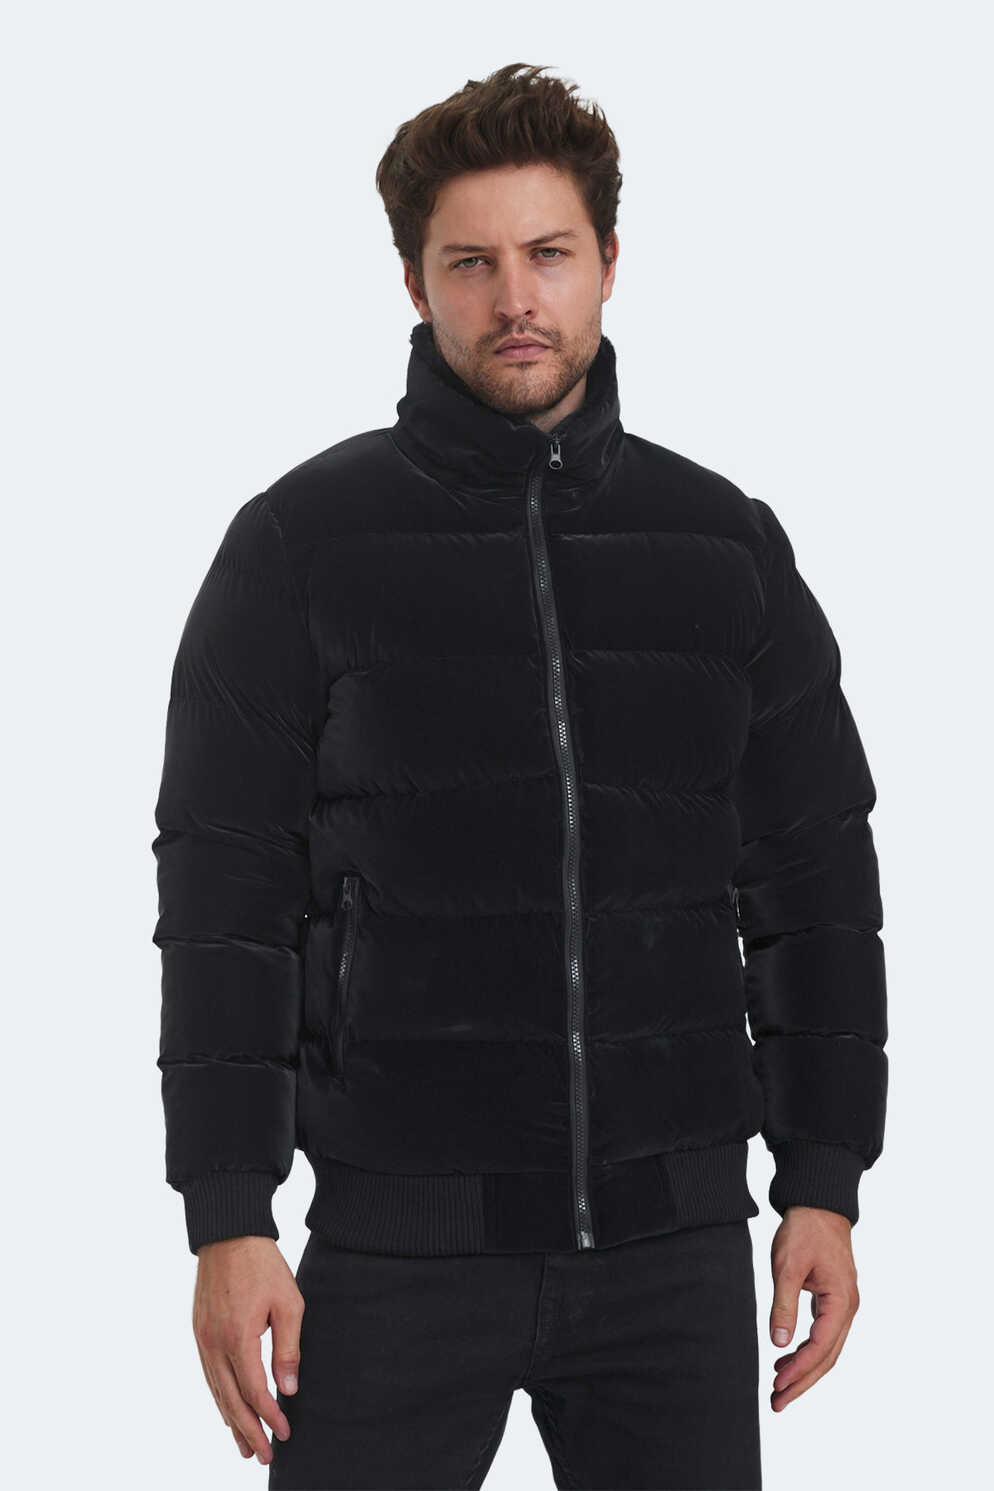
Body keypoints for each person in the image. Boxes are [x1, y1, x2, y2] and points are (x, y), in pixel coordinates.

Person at [151, 61, 888, 1491]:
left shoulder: (723, 546)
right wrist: (228, 1214)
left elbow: (814, 878)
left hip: (674, 1254)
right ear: (413, 282)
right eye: (470, 263)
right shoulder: (300, 547)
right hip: (395, 1254)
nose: (515, 301)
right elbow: (224, 893)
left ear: (607, 260)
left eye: (547, 254)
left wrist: (823, 1179)